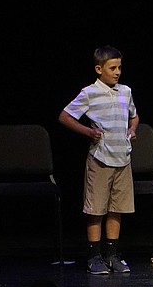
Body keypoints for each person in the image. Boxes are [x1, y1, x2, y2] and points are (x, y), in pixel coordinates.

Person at [59, 45, 138, 275]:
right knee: (96, 208)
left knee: (117, 208)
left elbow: (134, 116)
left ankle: (112, 255)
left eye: (119, 67)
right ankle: (95, 257)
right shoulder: (89, 93)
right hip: (101, 158)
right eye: (112, 68)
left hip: (122, 157)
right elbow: (65, 116)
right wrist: (88, 132)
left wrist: (133, 128)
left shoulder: (126, 91)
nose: (117, 72)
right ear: (98, 69)